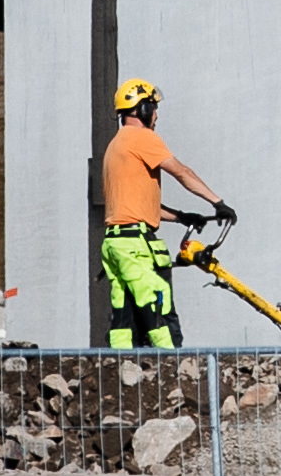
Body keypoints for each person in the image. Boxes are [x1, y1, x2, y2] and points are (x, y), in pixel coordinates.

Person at [97, 79, 228, 349]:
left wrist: (181, 216)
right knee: (158, 306)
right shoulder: (142, 137)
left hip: (115, 243)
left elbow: (136, 207)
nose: (156, 115)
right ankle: (174, 366)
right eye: (153, 108)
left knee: (124, 316)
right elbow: (182, 172)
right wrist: (218, 202)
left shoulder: (116, 145)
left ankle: (122, 369)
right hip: (136, 245)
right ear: (141, 109)